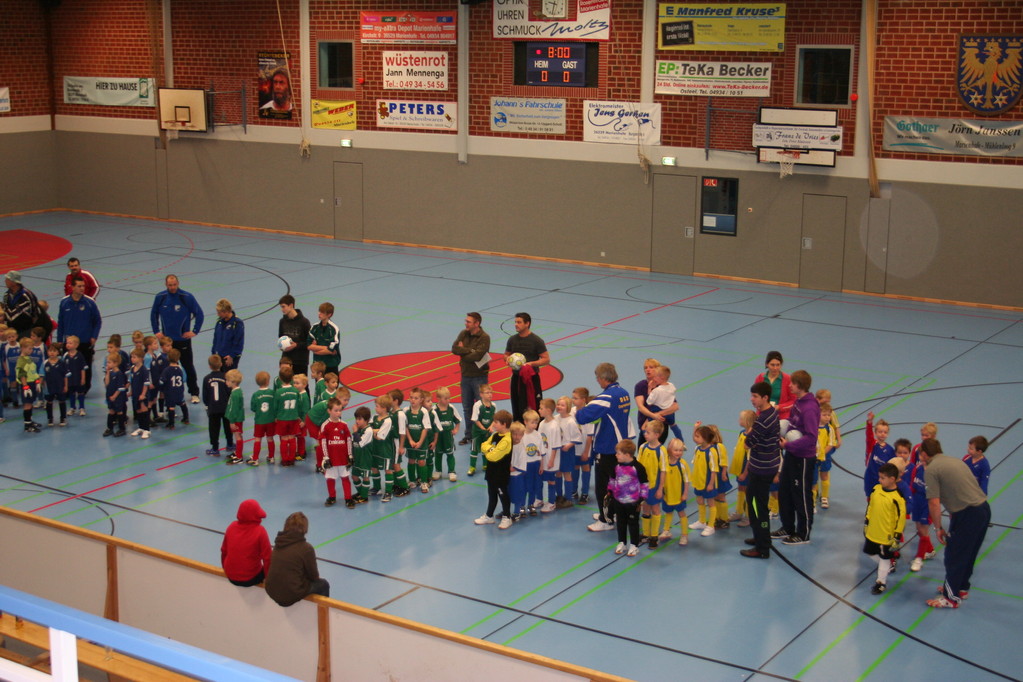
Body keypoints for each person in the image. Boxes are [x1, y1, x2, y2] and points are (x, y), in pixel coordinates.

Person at [919, 439, 991, 608]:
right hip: (983, 509)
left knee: (954, 555)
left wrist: (938, 528)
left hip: (967, 514)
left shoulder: (931, 470)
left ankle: (950, 598)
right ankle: (960, 588)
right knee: (968, 553)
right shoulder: (956, 461)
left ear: (924, 454)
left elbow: (934, 503)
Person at [575, 362, 635, 532]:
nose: (597, 381)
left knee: (603, 487)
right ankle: (612, 513)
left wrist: (581, 406)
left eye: (597, 377)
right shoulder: (624, 393)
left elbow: (581, 417)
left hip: (607, 447)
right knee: (615, 484)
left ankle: (605, 519)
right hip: (621, 445)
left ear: (603, 378)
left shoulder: (606, 398)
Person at [773, 370, 819, 545]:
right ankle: (787, 527)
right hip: (792, 454)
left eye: (792, 383)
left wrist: (788, 445)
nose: (789, 385)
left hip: (803, 458)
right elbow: (792, 423)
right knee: (785, 490)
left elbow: (811, 437)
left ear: (800, 386)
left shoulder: (809, 408)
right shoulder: (798, 402)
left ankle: (803, 533)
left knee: (801, 495)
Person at [741, 381, 781, 559]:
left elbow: (748, 442)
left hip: (762, 469)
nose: (752, 399)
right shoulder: (770, 412)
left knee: (758, 509)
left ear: (765, 398)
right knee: (754, 502)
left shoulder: (763, 420)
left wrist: (750, 439)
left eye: (755, 396)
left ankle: (762, 547)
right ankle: (760, 537)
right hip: (766, 465)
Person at [150, 274, 204, 402]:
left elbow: (199, 314)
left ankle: (194, 393)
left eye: (174, 284)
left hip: (183, 340)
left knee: (188, 366)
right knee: (166, 369)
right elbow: (153, 314)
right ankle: (168, 393)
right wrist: (156, 331)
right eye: (170, 285)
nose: (172, 287)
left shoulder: (186, 297)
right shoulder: (160, 297)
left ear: (178, 283)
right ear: (166, 285)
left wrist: (195, 331)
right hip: (167, 342)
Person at [265, 512, 330, 606]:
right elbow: (314, 576)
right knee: (323, 585)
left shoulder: (279, 542)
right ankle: (322, 611)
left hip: (271, 589)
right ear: (305, 529)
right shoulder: (306, 548)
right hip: (290, 594)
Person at [863, 462, 907, 594]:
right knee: (869, 552)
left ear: (892, 479)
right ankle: (888, 566)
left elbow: (901, 518)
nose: (879, 480)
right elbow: (870, 506)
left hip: (886, 535)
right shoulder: (876, 489)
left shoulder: (897, 498)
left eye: (882, 478)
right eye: (879, 477)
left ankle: (881, 582)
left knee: (884, 558)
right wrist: (867, 522)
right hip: (872, 531)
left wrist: (897, 535)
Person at [451, 312, 491, 445]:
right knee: (467, 407)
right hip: (466, 376)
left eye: (468, 322)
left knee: (481, 408)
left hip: (480, 377)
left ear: (477, 323)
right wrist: (470, 351)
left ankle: (482, 435)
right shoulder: (464, 333)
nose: (466, 324)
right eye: (466, 321)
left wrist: (464, 351)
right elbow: (454, 349)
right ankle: (469, 435)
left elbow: (478, 356)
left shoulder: (484, 337)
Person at [504, 312, 550, 422]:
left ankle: (535, 428)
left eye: (519, 322)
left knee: (533, 405)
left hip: (531, 379)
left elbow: (546, 359)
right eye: (515, 322)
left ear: (527, 323)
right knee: (516, 405)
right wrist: (508, 359)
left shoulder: (536, 340)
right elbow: (506, 354)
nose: (516, 324)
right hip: (516, 378)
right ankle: (518, 427)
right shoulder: (512, 340)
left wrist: (531, 364)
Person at [473, 409, 514, 530]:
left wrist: (489, 450)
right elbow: (483, 445)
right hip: (491, 471)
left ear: (504, 424)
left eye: (496, 422)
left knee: (503, 495)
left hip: (501, 473)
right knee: (491, 494)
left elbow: (493, 456)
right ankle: (489, 516)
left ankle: (507, 517)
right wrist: (490, 449)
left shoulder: (507, 440)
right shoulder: (495, 435)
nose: (494, 424)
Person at [609, 439, 648, 557]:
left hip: (633, 502)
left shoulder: (638, 468)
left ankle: (634, 545)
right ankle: (622, 542)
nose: (616, 455)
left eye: (618, 453)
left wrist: (641, 498)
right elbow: (612, 479)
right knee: (621, 522)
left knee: (633, 523)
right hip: (618, 500)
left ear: (627, 455)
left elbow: (644, 483)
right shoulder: (616, 466)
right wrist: (610, 492)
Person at [221, 499, 272, 587]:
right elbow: (268, 558)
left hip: (230, 575)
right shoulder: (260, 531)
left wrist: (226, 569)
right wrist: (268, 578)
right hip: (250, 578)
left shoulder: (231, 526)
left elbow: (224, 551)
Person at [320, 397, 355, 508]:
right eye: (336, 410)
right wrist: (326, 457)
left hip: (343, 458)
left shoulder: (344, 425)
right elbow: (323, 442)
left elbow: (348, 440)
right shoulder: (325, 425)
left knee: (345, 478)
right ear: (329, 411)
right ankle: (332, 497)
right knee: (330, 478)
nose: (338, 413)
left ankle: (348, 498)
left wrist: (350, 455)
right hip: (332, 459)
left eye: (340, 410)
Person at [657, 438, 691, 546]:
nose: (678, 453)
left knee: (681, 513)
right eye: (676, 450)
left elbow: (687, 481)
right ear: (669, 450)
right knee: (668, 512)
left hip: (678, 495)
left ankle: (684, 534)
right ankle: (666, 530)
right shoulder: (664, 462)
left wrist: (685, 493)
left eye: (680, 450)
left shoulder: (682, 464)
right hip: (667, 494)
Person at [687, 424, 720, 537]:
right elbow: (695, 439)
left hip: (708, 482)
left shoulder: (711, 452)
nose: (695, 438)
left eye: (698, 436)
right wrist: (695, 429)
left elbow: (714, 469)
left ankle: (711, 526)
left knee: (710, 503)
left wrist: (711, 483)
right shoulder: (697, 448)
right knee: (699, 500)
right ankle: (701, 521)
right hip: (698, 480)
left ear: (705, 438)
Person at [202, 355, 231, 456]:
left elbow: (205, 395)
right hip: (225, 407)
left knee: (213, 428)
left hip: (213, 408)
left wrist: (207, 405)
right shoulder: (226, 377)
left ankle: (215, 448)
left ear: (209, 366)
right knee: (227, 426)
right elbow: (229, 392)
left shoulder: (206, 379)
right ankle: (230, 444)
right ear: (221, 364)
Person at [277, 295, 311, 378]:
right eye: (281, 307)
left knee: (301, 383)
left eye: (283, 307)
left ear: (291, 305)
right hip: (286, 361)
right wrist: (281, 346)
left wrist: (296, 345)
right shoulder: (282, 321)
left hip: (300, 361)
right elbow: (280, 337)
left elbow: (309, 343)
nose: (282, 309)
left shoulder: (304, 322)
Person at [754, 350, 794, 418]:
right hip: (762, 414)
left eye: (778, 365)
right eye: (772, 365)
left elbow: (794, 401)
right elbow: (755, 397)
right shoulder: (760, 378)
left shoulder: (788, 379)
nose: (775, 368)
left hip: (781, 416)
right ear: (767, 364)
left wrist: (780, 407)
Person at [248, 370, 277, 465]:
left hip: (259, 421)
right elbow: (275, 405)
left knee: (257, 439)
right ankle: (271, 457)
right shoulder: (272, 393)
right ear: (268, 381)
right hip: (271, 420)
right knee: (270, 438)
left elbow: (253, 408)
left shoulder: (255, 395)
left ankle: (255, 458)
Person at [864, 412, 894, 500]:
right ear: (875, 433)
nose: (882, 434)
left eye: (885, 432)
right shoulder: (872, 444)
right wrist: (870, 422)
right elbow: (869, 435)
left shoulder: (890, 450)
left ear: (888, 434)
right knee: (870, 497)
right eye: (880, 432)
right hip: (870, 477)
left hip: (883, 479)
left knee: (881, 498)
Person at [468, 383, 496, 476]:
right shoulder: (477, 405)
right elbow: (475, 419)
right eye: (487, 393)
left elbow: (494, 418)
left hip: (487, 432)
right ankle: (472, 467)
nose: (490, 395)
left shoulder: (494, 405)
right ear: (481, 394)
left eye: (491, 392)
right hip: (477, 432)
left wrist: (491, 427)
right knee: (475, 449)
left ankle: (485, 465)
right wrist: (482, 428)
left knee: (486, 448)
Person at [307, 302, 341, 377]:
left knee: (332, 384)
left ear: (329, 314)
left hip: (330, 365)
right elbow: (308, 345)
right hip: (318, 366)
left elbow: (331, 349)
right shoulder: (314, 327)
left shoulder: (334, 329)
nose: (319, 314)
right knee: (319, 384)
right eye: (319, 311)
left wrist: (315, 350)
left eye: (322, 312)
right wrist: (325, 348)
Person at [4, 271, 41, 339]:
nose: (5, 281)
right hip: (11, 331)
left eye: (7, 279)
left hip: (25, 331)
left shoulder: (27, 295)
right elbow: (6, 311)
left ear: (14, 282)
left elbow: (35, 313)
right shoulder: (6, 295)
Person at [211, 298, 244, 369]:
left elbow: (238, 342)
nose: (218, 314)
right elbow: (215, 339)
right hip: (219, 356)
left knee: (230, 375)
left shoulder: (237, 323)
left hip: (230, 358)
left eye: (219, 312)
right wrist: (213, 353)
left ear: (226, 312)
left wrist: (232, 356)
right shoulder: (219, 322)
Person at [160, 348, 189, 429]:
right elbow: (184, 379)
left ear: (168, 358)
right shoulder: (180, 369)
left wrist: (161, 387)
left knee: (171, 407)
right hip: (179, 391)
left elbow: (162, 381)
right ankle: (186, 418)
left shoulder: (167, 370)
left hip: (170, 392)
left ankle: (171, 423)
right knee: (182, 403)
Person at [126, 348, 152, 439]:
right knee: (138, 411)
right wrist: (131, 391)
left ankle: (147, 429)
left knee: (144, 410)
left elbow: (146, 384)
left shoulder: (144, 370)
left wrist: (143, 394)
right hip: (135, 394)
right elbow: (132, 381)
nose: (132, 359)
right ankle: (141, 427)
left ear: (141, 358)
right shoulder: (132, 369)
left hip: (142, 394)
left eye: (134, 357)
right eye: (131, 357)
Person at [103, 353, 127, 437]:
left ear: (115, 363)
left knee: (119, 411)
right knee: (111, 411)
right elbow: (106, 384)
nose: (107, 364)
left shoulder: (119, 374)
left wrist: (114, 396)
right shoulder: (110, 372)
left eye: (109, 362)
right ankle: (110, 428)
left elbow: (120, 387)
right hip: (110, 395)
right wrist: (107, 373)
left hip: (117, 397)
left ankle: (122, 428)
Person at [224, 369, 245, 464]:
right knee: (237, 435)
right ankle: (237, 453)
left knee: (238, 436)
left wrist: (232, 421)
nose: (226, 382)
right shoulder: (236, 391)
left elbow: (234, 408)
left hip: (236, 419)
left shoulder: (235, 394)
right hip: (236, 418)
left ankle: (239, 456)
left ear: (234, 382)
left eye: (228, 380)